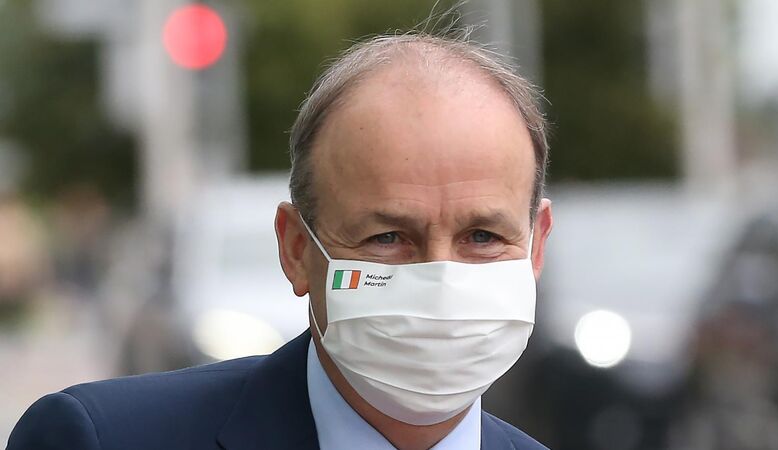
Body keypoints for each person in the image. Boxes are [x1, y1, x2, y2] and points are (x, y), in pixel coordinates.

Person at [7, 30, 553, 450]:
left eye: (483, 236)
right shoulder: (103, 440)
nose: (441, 280)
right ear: (296, 250)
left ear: (536, 246)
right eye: (387, 237)